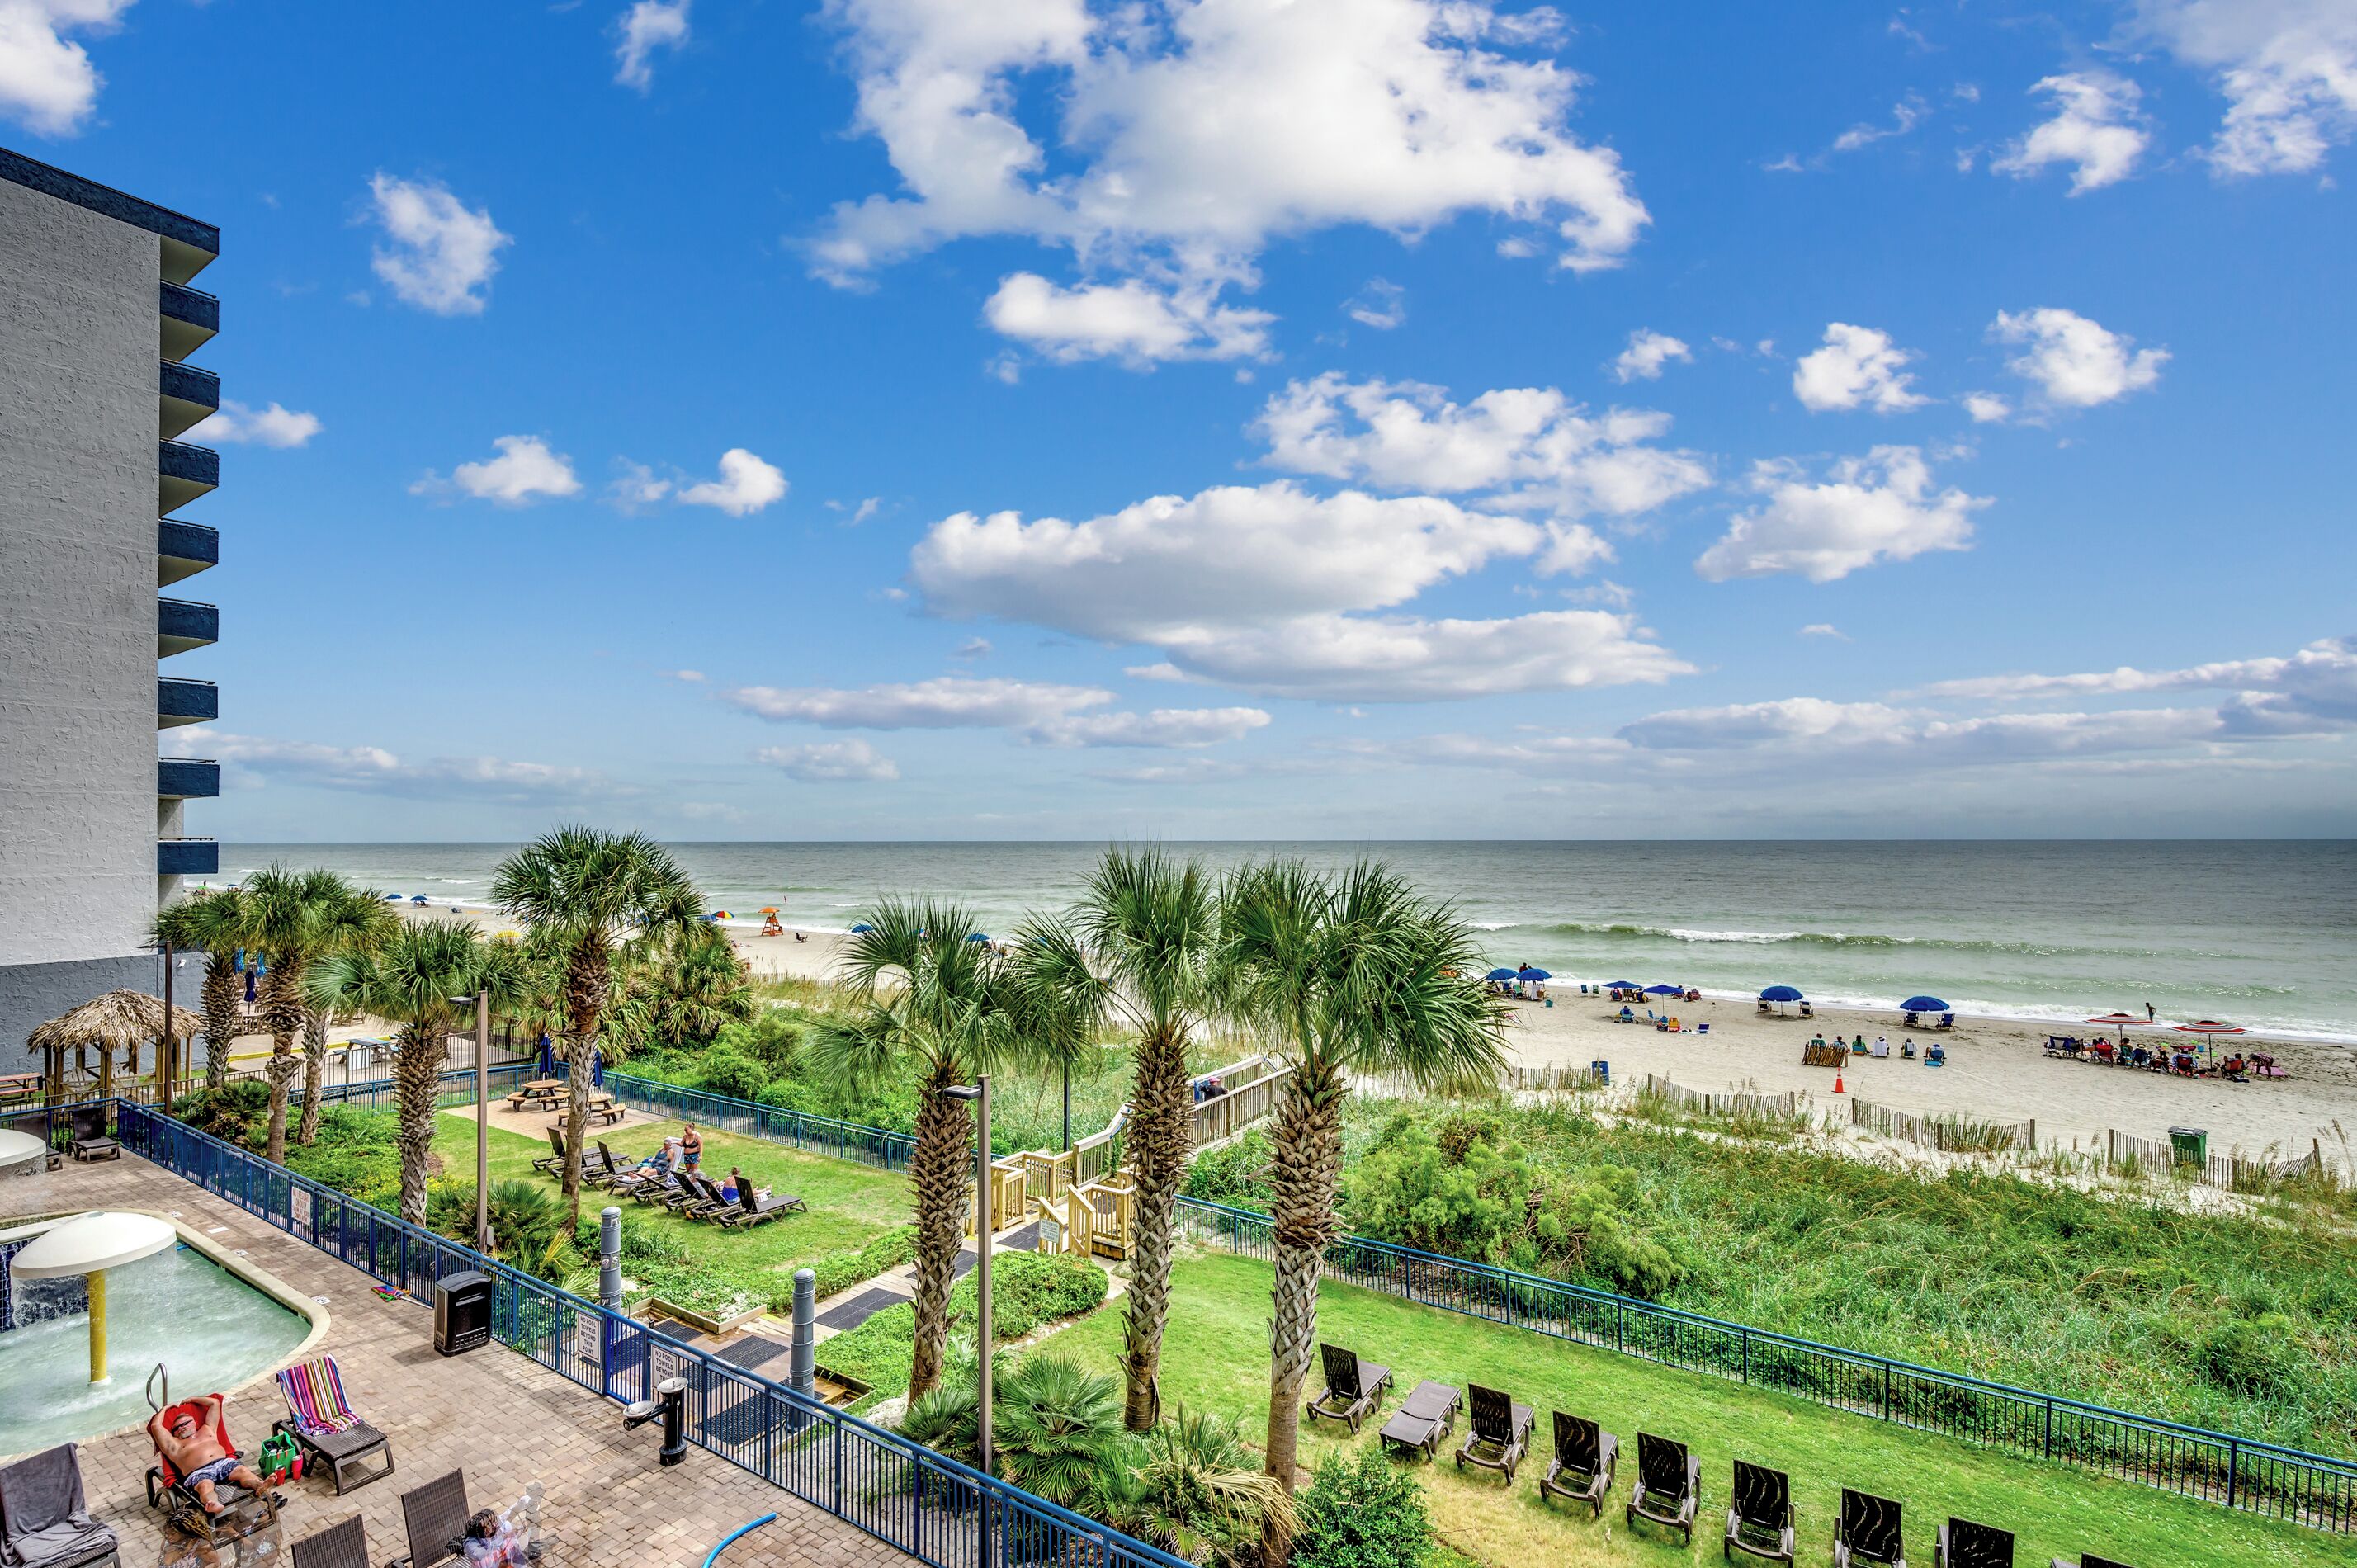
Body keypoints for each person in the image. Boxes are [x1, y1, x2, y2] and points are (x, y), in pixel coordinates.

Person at [149, 1396, 266, 1515]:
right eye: (177, 1427)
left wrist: (192, 1399)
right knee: (205, 1487)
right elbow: (155, 1426)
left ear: (194, 1422)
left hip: (223, 1463)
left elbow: (214, 1403)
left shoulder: (208, 1429)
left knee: (242, 1471)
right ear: (174, 1432)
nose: (182, 1427)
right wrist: (165, 1409)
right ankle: (213, 1503)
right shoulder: (173, 1444)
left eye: (186, 1423)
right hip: (199, 1472)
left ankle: (259, 1486)